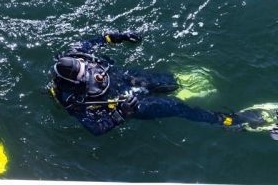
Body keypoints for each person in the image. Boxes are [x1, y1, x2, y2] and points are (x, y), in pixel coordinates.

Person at [48, 31, 278, 136]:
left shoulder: (77, 54)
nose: (95, 75)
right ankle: (232, 121)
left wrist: (118, 37)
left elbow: (95, 41)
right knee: (176, 107)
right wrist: (120, 114)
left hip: (125, 78)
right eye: (87, 76)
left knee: (166, 81)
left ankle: (179, 85)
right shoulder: (73, 99)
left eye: (88, 68)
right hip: (125, 104)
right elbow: (94, 128)